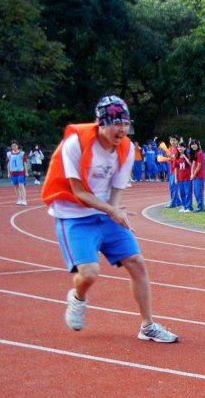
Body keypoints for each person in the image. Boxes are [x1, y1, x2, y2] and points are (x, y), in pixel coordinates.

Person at [40, 96, 177, 342]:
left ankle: (147, 325)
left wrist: (115, 210)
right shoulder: (76, 144)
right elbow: (78, 191)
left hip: (103, 212)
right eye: (116, 124)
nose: (122, 130)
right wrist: (112, 210)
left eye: (126, 124)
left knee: (137, 263)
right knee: (90, 273)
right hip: (74, 215)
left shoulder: (125, 149)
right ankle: (78, 297)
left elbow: (116, 189)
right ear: (100, 123)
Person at [5, 141, 29, 205]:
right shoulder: (9, 154)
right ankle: (19, 199)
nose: (13, 147)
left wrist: (26, 172)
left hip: (20, 172)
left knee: (21, 185)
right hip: (13, 172)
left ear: (18, 146)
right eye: (12, 146)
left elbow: (25, 163)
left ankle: (24, 199)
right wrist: (8, 172)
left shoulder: (22, 153)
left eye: (15, 146)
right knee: (16, 186)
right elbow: (8, 163)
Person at [174, 140, 193, 212]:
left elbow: (191, 164)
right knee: (182, 193)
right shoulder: (176, 156)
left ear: (185, 148)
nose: (180, 148)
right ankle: (184, 206)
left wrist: (185, 157)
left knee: (188, 193)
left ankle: (189, 207)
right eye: (178, 147)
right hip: (180, 178)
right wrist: (176, 178)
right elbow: (175, 168)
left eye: (181, 147)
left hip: (187, 178)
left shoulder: (188, 155)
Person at [189, 140, 205, 212]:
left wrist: (194, 174)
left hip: (199, 176)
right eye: (192, 145)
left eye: (194, 144)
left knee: (199, 192)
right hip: (195, 176)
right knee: (196, 192)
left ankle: (201, 207)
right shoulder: (195, 153)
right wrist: (192, 174)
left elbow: (199, 165)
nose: (193, 146)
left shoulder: (199, 153)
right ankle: (199, 207)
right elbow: (193, 165)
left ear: (198, 145)